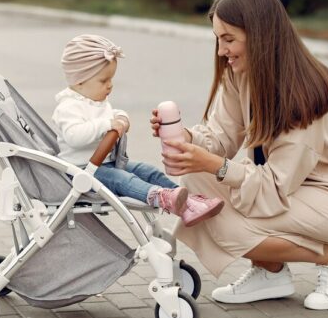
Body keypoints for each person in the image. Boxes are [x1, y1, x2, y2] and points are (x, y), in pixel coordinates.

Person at [150, 0, 328, 310]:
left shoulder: (302, 97)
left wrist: (215, 166)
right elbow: (221, 139)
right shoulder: (240, 74)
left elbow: (273, 186)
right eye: (218, 39)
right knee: (196, 188)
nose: (222, 50)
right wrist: (187, 139)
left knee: (225, 224)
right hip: (284, 188)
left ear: (260, 35)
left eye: (229, 39)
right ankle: (271, 272)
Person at [53, 34, 224, 226]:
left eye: (111, 79)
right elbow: (74, 136)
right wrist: (108, 125)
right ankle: (161, 198)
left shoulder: (94, 99)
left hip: (105, 164)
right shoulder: (68, 107)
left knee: (147, 170)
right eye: (103, 81)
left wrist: (121, 116)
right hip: (83, 171)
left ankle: (189, 202)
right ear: (79, 81)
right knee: (123, 179)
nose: (110, 85)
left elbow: (110, 114)